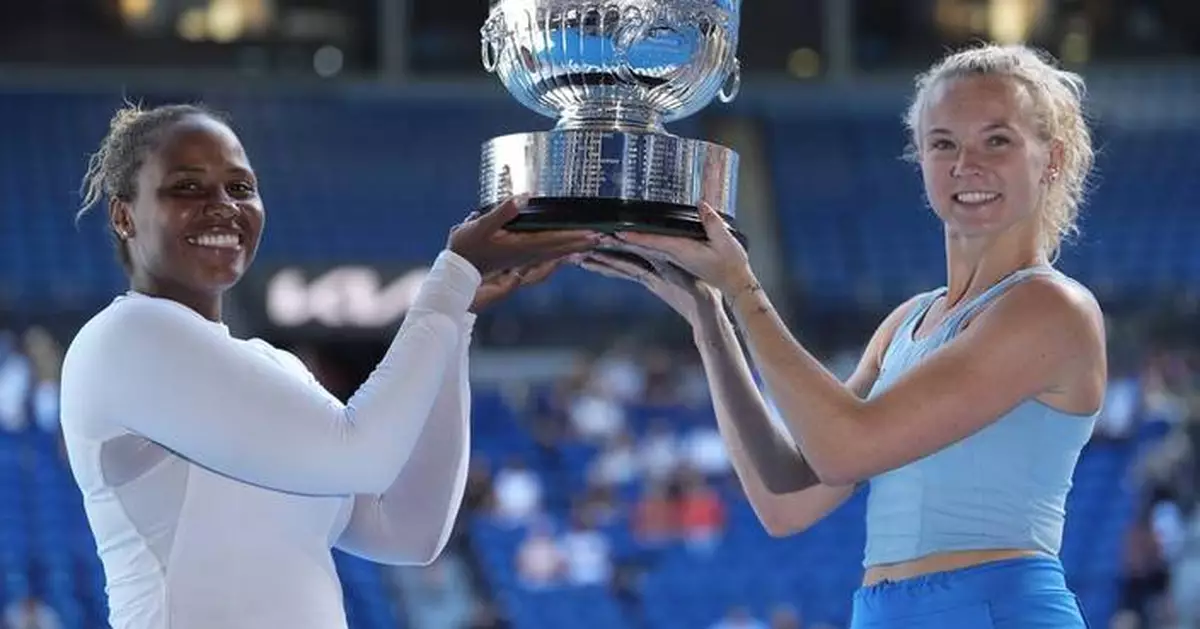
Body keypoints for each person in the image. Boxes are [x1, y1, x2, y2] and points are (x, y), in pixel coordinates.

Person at [577, 42, 1105, 628]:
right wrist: (711, 318)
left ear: (1051, 159)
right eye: (943, 143)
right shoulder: (905, 323)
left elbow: (847, 446)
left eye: (997, 140)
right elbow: (787, 501)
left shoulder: (1051, 307)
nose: (966, 164)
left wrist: (745, 290)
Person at [59, 103, 601, 629]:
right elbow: (362, 454)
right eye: (187, 186)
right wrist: (449, 280)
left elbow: (408, 532)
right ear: (123, 213)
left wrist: (457, 317)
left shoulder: (277, 367)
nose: (222, 204)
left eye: (241, 187)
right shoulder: (122, 340)